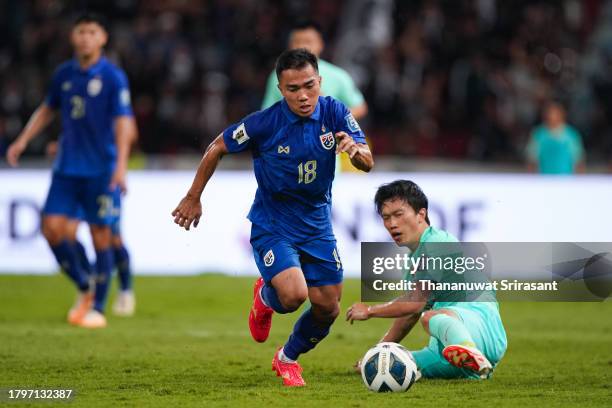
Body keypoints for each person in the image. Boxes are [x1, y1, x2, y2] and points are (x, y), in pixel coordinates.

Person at [172, 48, 373, 387]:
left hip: (317, 225)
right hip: (273, 224)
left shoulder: (336, 112)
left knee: (329, 308)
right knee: (294, 295)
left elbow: (367, 160)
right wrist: (193, 197)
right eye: (293, 89)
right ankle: (266, 296)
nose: (303, 95)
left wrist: (356, 152)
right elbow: (217, 147)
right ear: (281, 90)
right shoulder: (264, 123)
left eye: (309, 85)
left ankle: (287, 358)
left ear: (320, 82)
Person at [5, 13, 137, 328]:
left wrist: (120, 166)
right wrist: (22, 140)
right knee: (52, 228)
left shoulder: (113, 77)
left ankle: (100, 308)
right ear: (72, 37)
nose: (85, 37)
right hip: (66, 168)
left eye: (92, 32)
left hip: (100, 170)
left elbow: (123, 124)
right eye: (80, 31)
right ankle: (84, 284)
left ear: (102, 37)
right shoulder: (63, 74)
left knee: (103, 235)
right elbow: (48, 109)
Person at [346, 180, 507, 379]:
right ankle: (474, 366)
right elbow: (408, 316)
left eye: (398, 214)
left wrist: (370, 311)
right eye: (386, 217)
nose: (392, 224)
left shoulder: (437, 242)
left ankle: (468, 349)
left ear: (421, 214)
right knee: (384, 365)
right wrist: (377, 353)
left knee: (430, 317)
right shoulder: (413, 260)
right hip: (445, 346)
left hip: (479, 326)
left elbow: (415, 305)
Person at [261, 21, 368, 172]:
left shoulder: (338, 76)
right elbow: (267, 113)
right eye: (297, 41)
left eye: (308, 41)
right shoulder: (278, 77)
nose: (303, 46)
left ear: (320, 44)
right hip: (286, 160)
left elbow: (360, 107)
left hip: (325, 162)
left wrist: (336, 118)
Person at [526, 101, 586, 174]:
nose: (552, 116)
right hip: (544, 178)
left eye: (555, 114)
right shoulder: (539, 134)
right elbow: (532, 159)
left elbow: (578, 159)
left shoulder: (571, 135)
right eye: (550, 113)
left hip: (565, 178)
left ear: (562, 115)